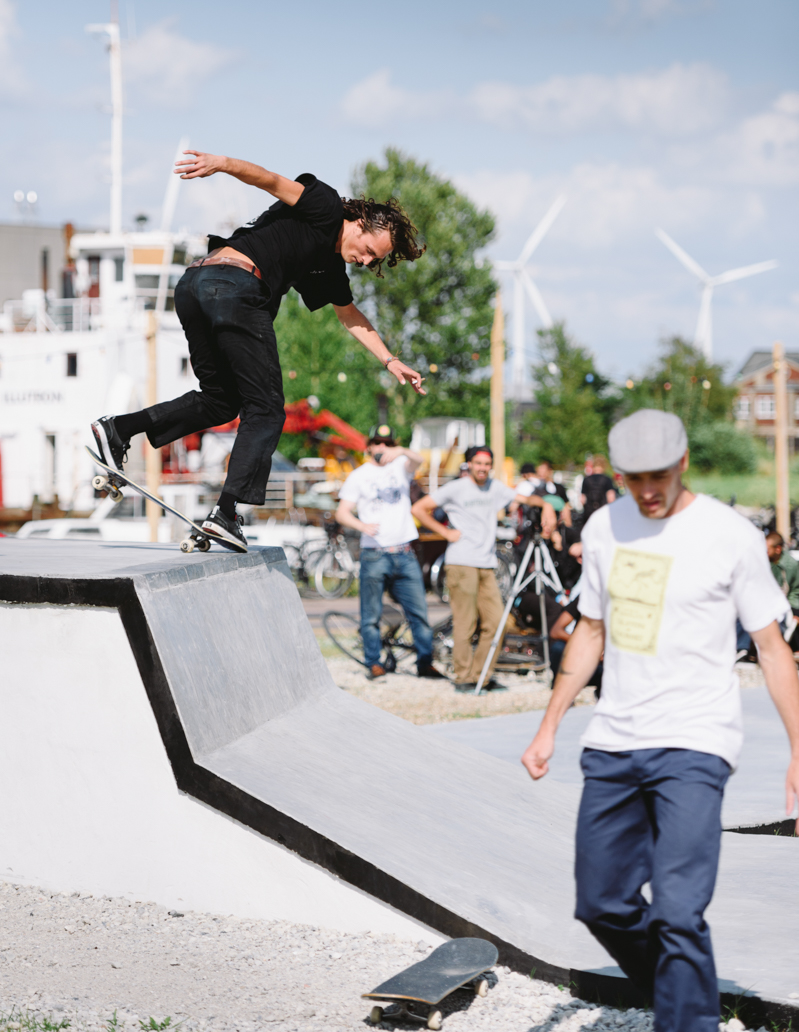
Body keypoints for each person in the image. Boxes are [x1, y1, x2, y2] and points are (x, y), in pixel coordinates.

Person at [520, 409, 799, 1032]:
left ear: (682, 466)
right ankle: (686, 994)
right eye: (634, 479)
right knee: (601, 902)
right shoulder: (604, 528)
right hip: (614, 740)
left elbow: (772, 648)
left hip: (695, 745)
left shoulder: (729, 536)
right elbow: (591, 629)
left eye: (659, 477)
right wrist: (550, 723)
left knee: (678, 909)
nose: (647, 491)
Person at [91, 151, 426, 552]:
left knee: (220, 402)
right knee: (266, 408)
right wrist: (221, 164)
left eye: (375, 260)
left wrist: (389, 360)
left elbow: (348, 314)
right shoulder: (326, 207)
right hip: (234, 287)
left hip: (195, 286)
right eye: (368, 248)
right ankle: (226, 513)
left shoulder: (327, 266)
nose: (366, 260)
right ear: (358, 222)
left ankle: (118, 429)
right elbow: (270, 179)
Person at [412, 448, 555, 692]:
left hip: (487, 564)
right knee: (465, 623)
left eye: (487, 463)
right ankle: (463, 677)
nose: (482, 468)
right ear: (469, 464)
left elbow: (526, 499)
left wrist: (548, 506)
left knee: (497, 622)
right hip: (461, 562)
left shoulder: (495, 487)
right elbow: (418, 509)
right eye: (478, 463)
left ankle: (482, 676)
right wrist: (445, 532)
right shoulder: (456, 487)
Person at [336, 425, 445, 682]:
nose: (382, 448)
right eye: (377, 443)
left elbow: (419, 460)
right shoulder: (359, 476)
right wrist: (362, 526)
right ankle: (373, 662)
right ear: (369, 447)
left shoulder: (400, 467)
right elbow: (342, 512)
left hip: (404, 552)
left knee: (419, 612)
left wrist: (402, 451)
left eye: (387, 443)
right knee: (371, 614)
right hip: (375, 553)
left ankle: (425, 662)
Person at [765, 528, 799, 655]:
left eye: (767, 549)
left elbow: (791, 591)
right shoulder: (767, 561)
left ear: (778, 549)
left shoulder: (789, 565)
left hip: (791, 600)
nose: (764, 552)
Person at [517, 459, 573, 528]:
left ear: (550, 471)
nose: (541, 475)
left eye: (544, 472)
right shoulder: (533, 485)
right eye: (539, 472)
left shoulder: (557, 487)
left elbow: (566, 505)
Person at [580, 453, 616, 523]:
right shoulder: (607, 479)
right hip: (603, 513)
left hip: (588, 513)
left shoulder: (586, 479)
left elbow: (582, 500)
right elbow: (611, 499)